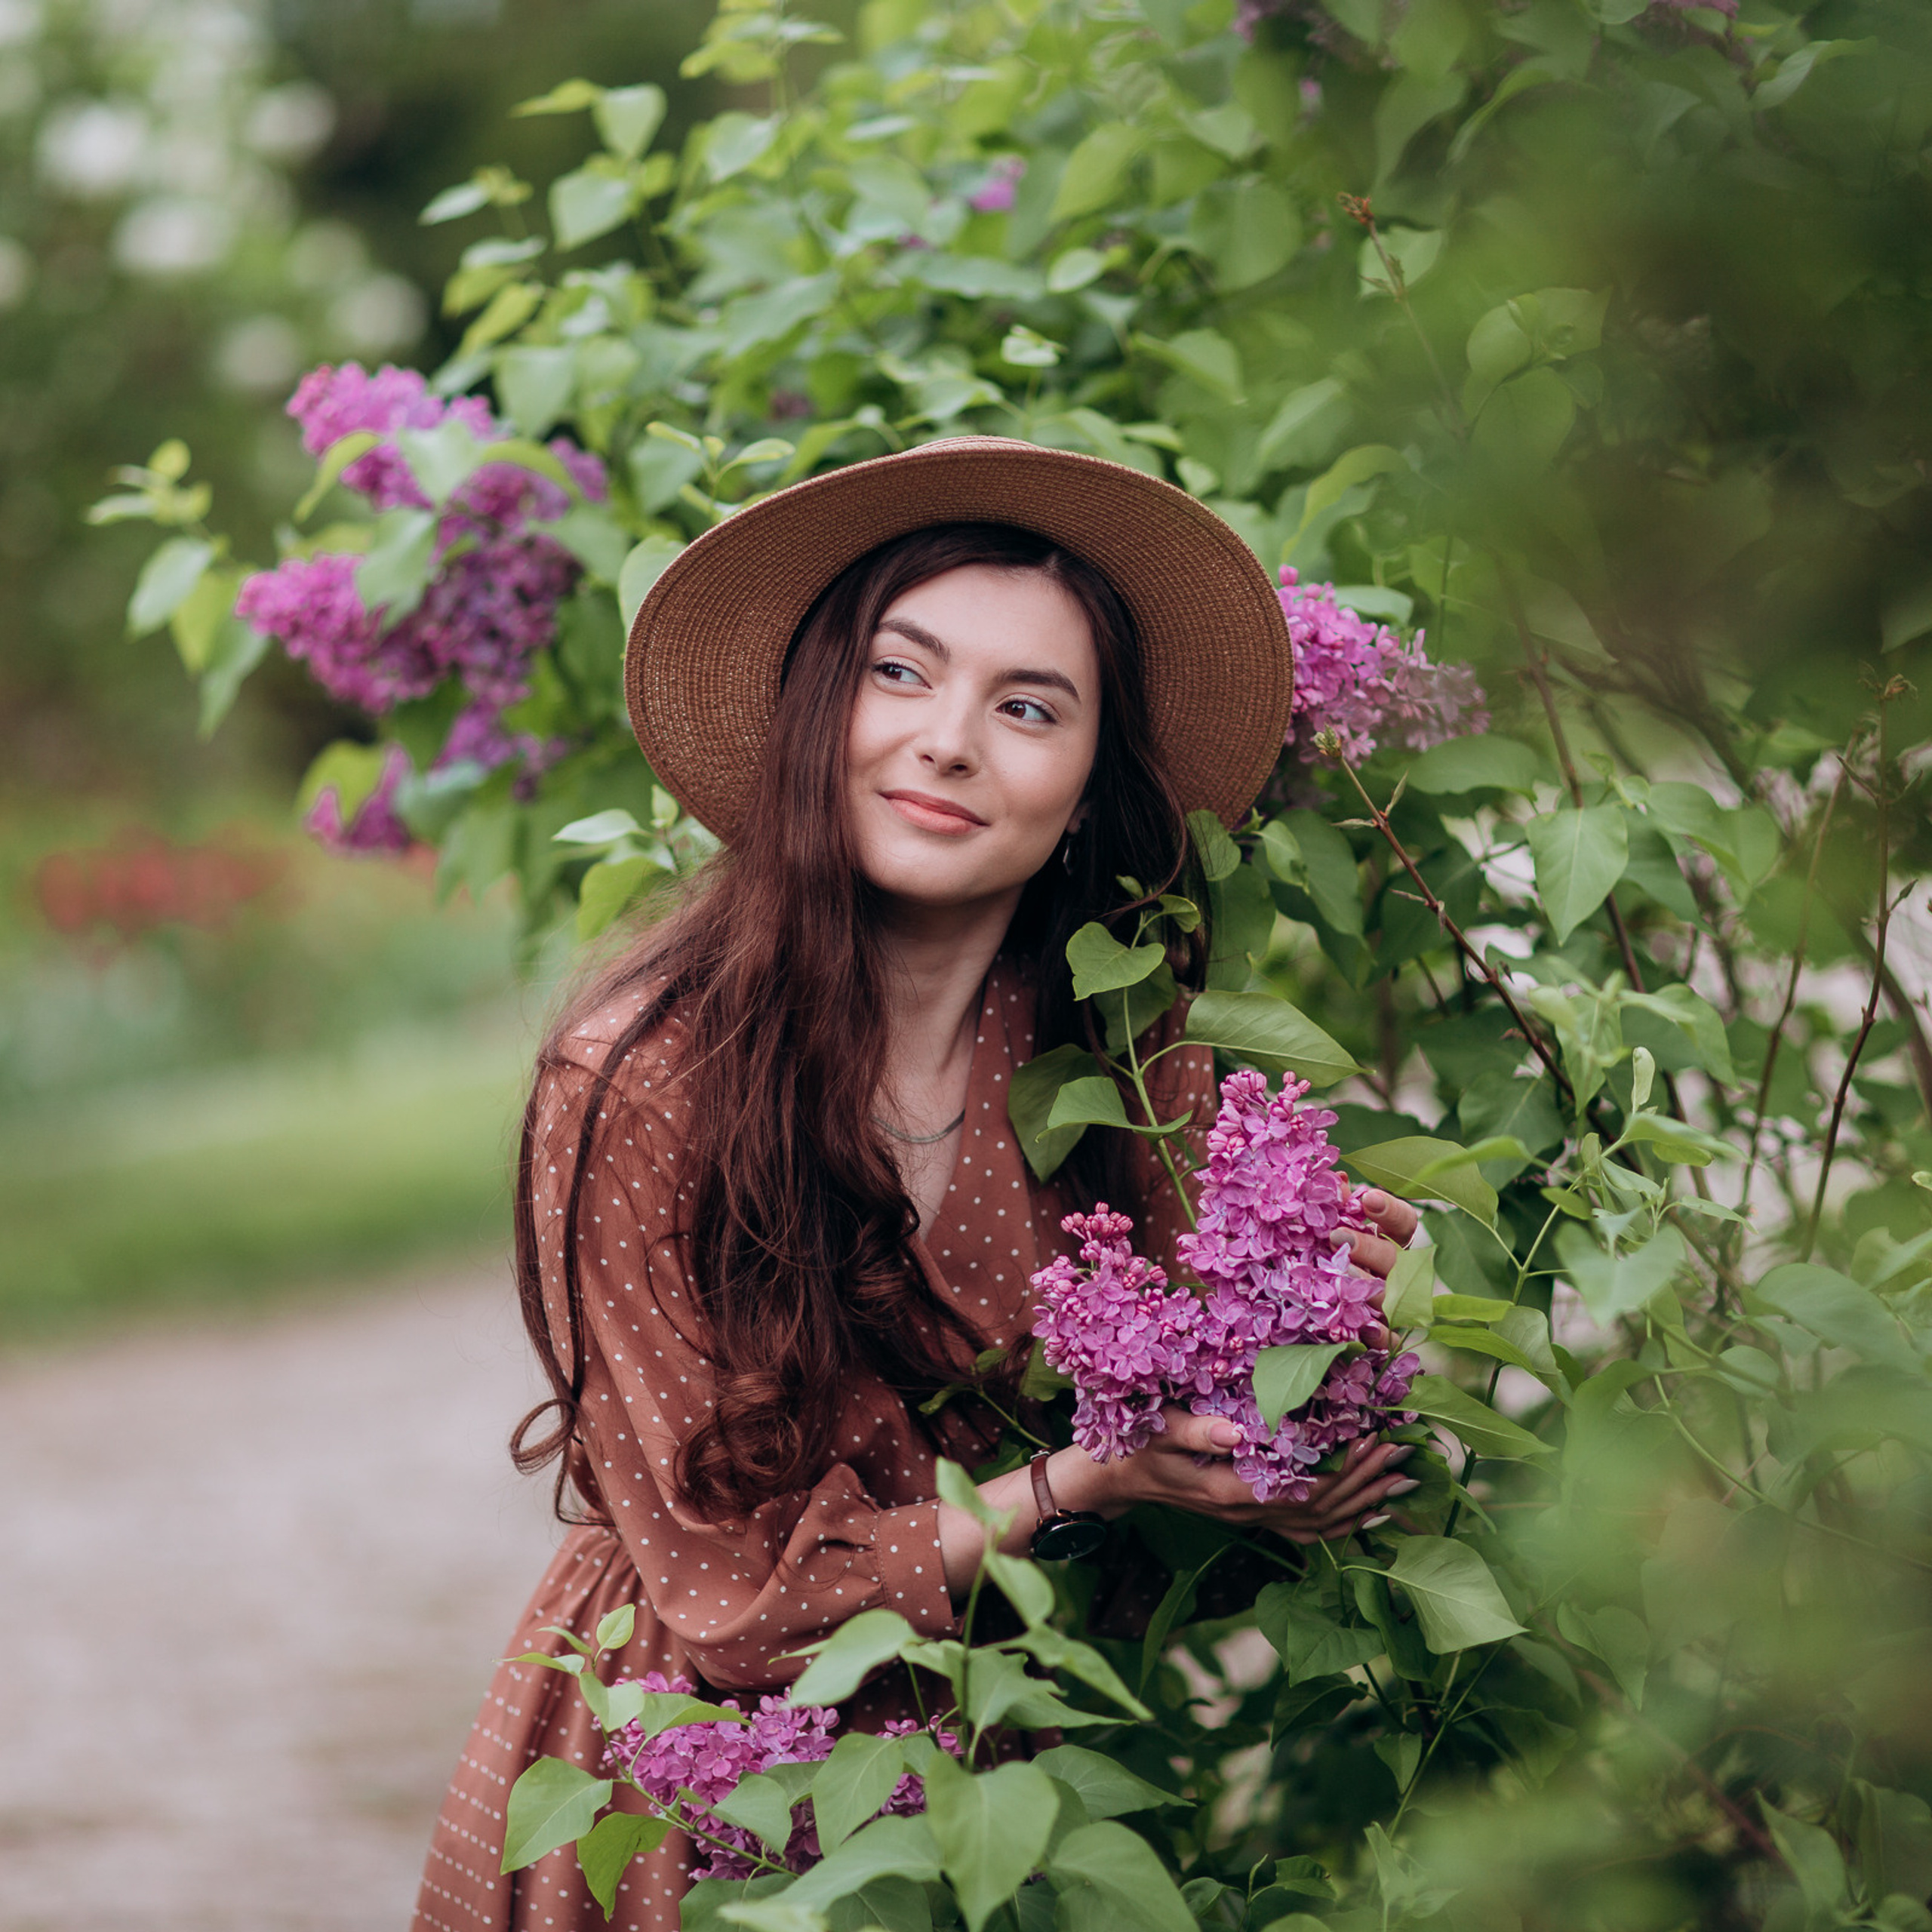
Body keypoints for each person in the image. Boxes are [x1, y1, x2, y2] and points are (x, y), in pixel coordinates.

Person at [414, 438, 1421, 1932]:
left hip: (1003, 1751)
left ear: (1087, 788)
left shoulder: (1111, 1054)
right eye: (900, 673)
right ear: (818, 708)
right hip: (698, 1781)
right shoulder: (642, 1078)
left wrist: (1314, 1392)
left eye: (1029, 707)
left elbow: (1189, 1408)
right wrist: (1078, 1481)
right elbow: (731, 1599)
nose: (948, 742)